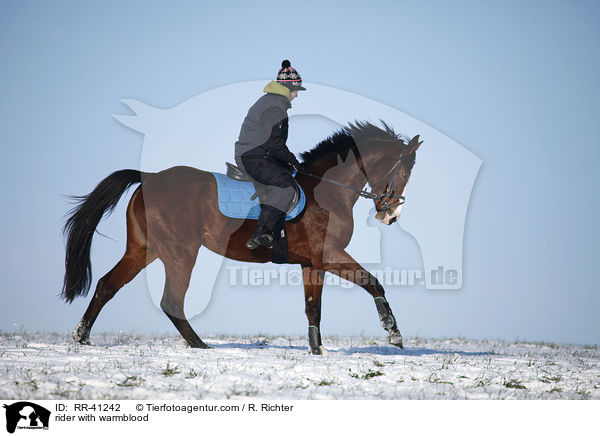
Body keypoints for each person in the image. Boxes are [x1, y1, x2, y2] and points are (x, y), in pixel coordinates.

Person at [234, 60, 306, 261]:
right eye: (296, 90)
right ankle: (262, 232)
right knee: (285, 186)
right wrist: (295, 163)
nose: (297, 95)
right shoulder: (275, 107)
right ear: (289, 88)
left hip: (255, 154)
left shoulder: (271, 102)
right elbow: (275, 145)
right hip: (255, 157)